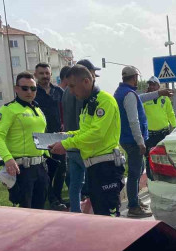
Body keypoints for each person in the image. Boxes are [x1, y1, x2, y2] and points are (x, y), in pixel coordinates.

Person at [49, 64, 125, 217]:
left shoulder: (104, 101)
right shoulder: (89, 102)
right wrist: (66, 135)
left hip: (106, 167)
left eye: (72, 86)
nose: (70, 91)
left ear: (85, 81)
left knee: (108, 217)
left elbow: (97, 134)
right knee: (99, 214)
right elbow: (85, 131)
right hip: (94, 167)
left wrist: (66, 144)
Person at [114, 66, 172, 218]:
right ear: (135, 78)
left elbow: (142, 98)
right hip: (133, 140)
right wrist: (140, 143)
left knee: (138, 170)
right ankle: (133, 206)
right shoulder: (128, 95)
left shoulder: (123, 92)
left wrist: (160, 92)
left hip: (127, 138)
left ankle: (135, 200)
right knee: (134, 173)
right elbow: (134, 121)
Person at [0, 71, 49, 209]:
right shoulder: (9, 109)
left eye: (33, 88)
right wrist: (7, 158)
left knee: (41, 210)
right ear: (16, 89)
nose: (29, 91)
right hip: (22, 169)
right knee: (25, 213)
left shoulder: (37, 109)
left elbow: (40, 135)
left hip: (41, 167)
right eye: (25, 88)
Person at [61, 60, 95, 213]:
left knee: (75, 184)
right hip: (81, 142)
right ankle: (95, 211)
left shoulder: (66, 91)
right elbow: (82, 118)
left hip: (70, 142)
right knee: (91, 181)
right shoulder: (82, 94)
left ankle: (75, 213)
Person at [34, 63, 67, 211]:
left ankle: (58, 197)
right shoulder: (33, 92)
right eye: (41, 73)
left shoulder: (58, 91)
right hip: (41, 137)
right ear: (36, 75)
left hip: (58, 135)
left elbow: (66, 109)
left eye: (47, 73)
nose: (45, 76)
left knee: (61, 168)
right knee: (47, 170)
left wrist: (65, 124)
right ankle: (51, 199)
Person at [142, 76, 176, 181]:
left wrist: (174, 127)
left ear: (158, 86)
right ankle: (151, 179)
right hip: (150, 135)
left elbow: (170, 113)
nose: (151, 87)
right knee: (149, 157)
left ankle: (167, 178)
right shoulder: (145, 99)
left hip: (163, 133)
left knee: (166, 157)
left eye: (153, 84)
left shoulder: (165, 98)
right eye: (150, 84)